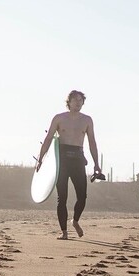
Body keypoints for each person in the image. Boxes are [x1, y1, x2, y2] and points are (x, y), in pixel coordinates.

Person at [37, 90, 101, 240]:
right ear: (69, 102)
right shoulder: (59, 118)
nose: (78, 102)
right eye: (75, 100)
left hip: (78, 158)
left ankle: (75, 220)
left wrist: (96, 164)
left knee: (82, 196)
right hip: (62, 160)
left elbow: (92, 143)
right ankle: (64, 232)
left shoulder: (87, 120)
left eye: (80, 100)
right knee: (62, 198)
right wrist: (40, 159)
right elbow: (48, 139)